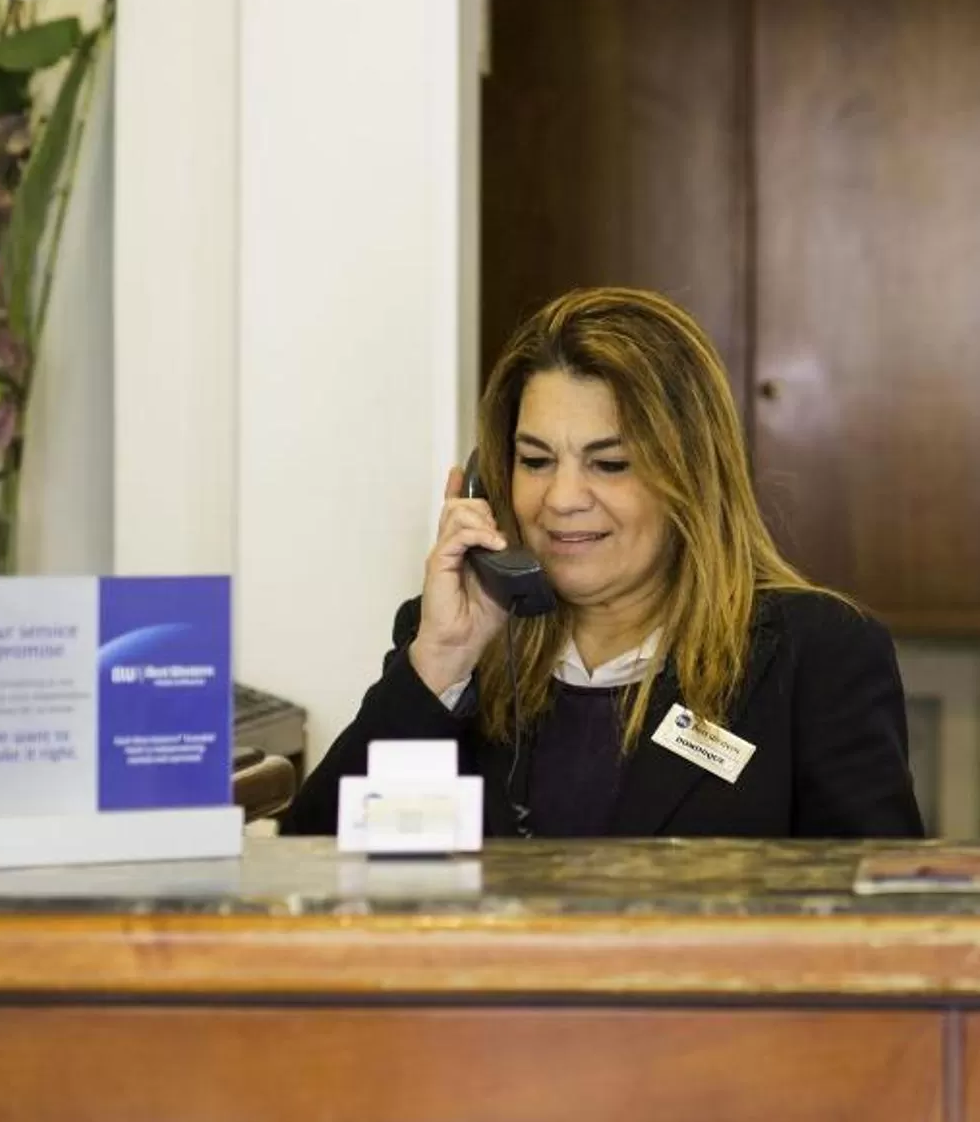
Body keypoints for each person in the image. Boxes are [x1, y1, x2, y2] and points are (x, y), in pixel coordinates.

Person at [283, 287, 926, 839]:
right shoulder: (451, 647)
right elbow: (306, 870)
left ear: (691, 478)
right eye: (536, 461)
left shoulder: (815, 654)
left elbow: (881, 917)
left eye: (610, 463)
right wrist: (440, 663)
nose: (562, 498)